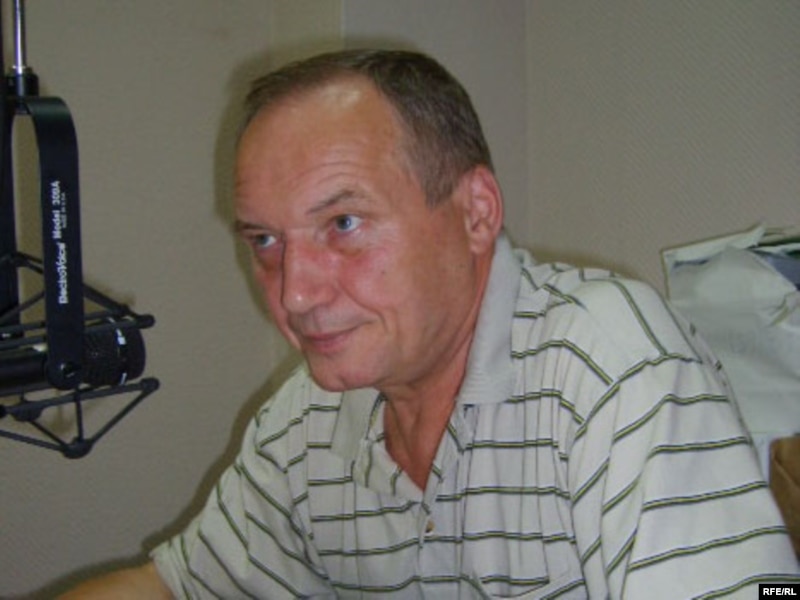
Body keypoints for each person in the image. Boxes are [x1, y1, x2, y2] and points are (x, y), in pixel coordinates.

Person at [60, 49, 799, 599]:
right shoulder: (305, 422)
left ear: (476, 213)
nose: (295, 294)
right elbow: (171, 587)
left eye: (344, 224)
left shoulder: (610, 364)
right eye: (265, 240)